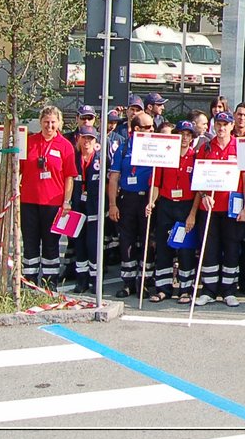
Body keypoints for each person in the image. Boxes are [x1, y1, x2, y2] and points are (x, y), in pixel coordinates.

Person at [193, 115, 245, 308]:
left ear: (232, 126)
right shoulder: (205, 148)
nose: (221, 128)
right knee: (209, 249)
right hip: (209, 207)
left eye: (225, 124)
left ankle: (228, 290)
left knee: (232, 248)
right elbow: (197, 178)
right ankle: (208, 290)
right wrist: (203, 195)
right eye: (218, 124)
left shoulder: (240, 147)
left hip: (232, 208)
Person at [19, 106, 75, 289]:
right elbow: (16, 171)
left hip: (53, 202)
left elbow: (69, 177)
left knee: (51, 244)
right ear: (40, 122)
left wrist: (66, 201)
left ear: (59, 123)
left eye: (53, 122)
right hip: (28, 201)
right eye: (46, 121)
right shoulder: (29, 142)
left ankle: (50, 283)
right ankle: (30, 281)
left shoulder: (65, 146)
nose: (49, 126)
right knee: (30, 242)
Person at [145, 119, 199, 302]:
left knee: (185, 249)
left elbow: (199, 188)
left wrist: (192, 213)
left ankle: (185, 289)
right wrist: (151, 202)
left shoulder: (196, 157)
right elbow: (156, 184)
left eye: (188, 135)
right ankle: (163, 288)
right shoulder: (166, 156)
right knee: (164, 247)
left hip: (186, 205)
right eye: (181, 134)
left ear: (192, 138)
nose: (184, 138)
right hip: (166, 204)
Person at [106, 109, 155, 298]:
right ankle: (128, 282)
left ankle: (145, 280)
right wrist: (112, 204)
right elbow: (114, 177)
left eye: (152, 126)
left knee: (147, 240)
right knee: (126, 240)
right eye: (147, 127)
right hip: (127, 198)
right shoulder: (124, 148)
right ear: (136, 129)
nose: (152, 130)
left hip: (147, 199)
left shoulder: (155, 146)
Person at [63, 123, 103, 292]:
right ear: (78, 139)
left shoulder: (101, 159)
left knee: (93, 244)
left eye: (90, 138)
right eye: (84, 138)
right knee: (79, 244)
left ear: (95, 141)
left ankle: (95, 280)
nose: (87, 142)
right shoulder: (73, 158)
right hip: (77, 208)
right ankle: (82, 280)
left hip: (95, 207)